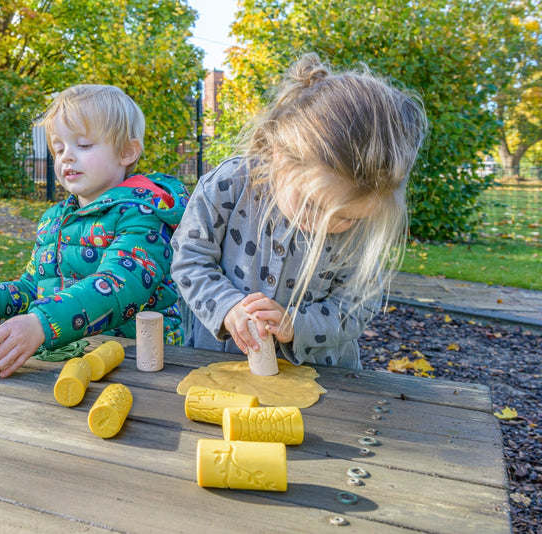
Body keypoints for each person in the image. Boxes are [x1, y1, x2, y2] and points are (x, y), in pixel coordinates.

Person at [170, 53, 427, 369]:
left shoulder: (362, 224)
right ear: (279, 154)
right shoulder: (228, 186)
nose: (325, 225)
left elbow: (356, 306)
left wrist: (296, 324)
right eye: (314, 205)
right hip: (221, 364)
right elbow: (189, 259)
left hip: (324, 378)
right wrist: (228, 307)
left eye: (346, 217)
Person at [0, 84, 189, 377]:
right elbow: (33, 286)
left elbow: (119, 285)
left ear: (126, 151)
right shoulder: (54, 220)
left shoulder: (143, 214)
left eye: (83, 145)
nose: (66, 157)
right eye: (58, 148)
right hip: (70, 360)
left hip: (143, 365)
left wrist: (41, 324)